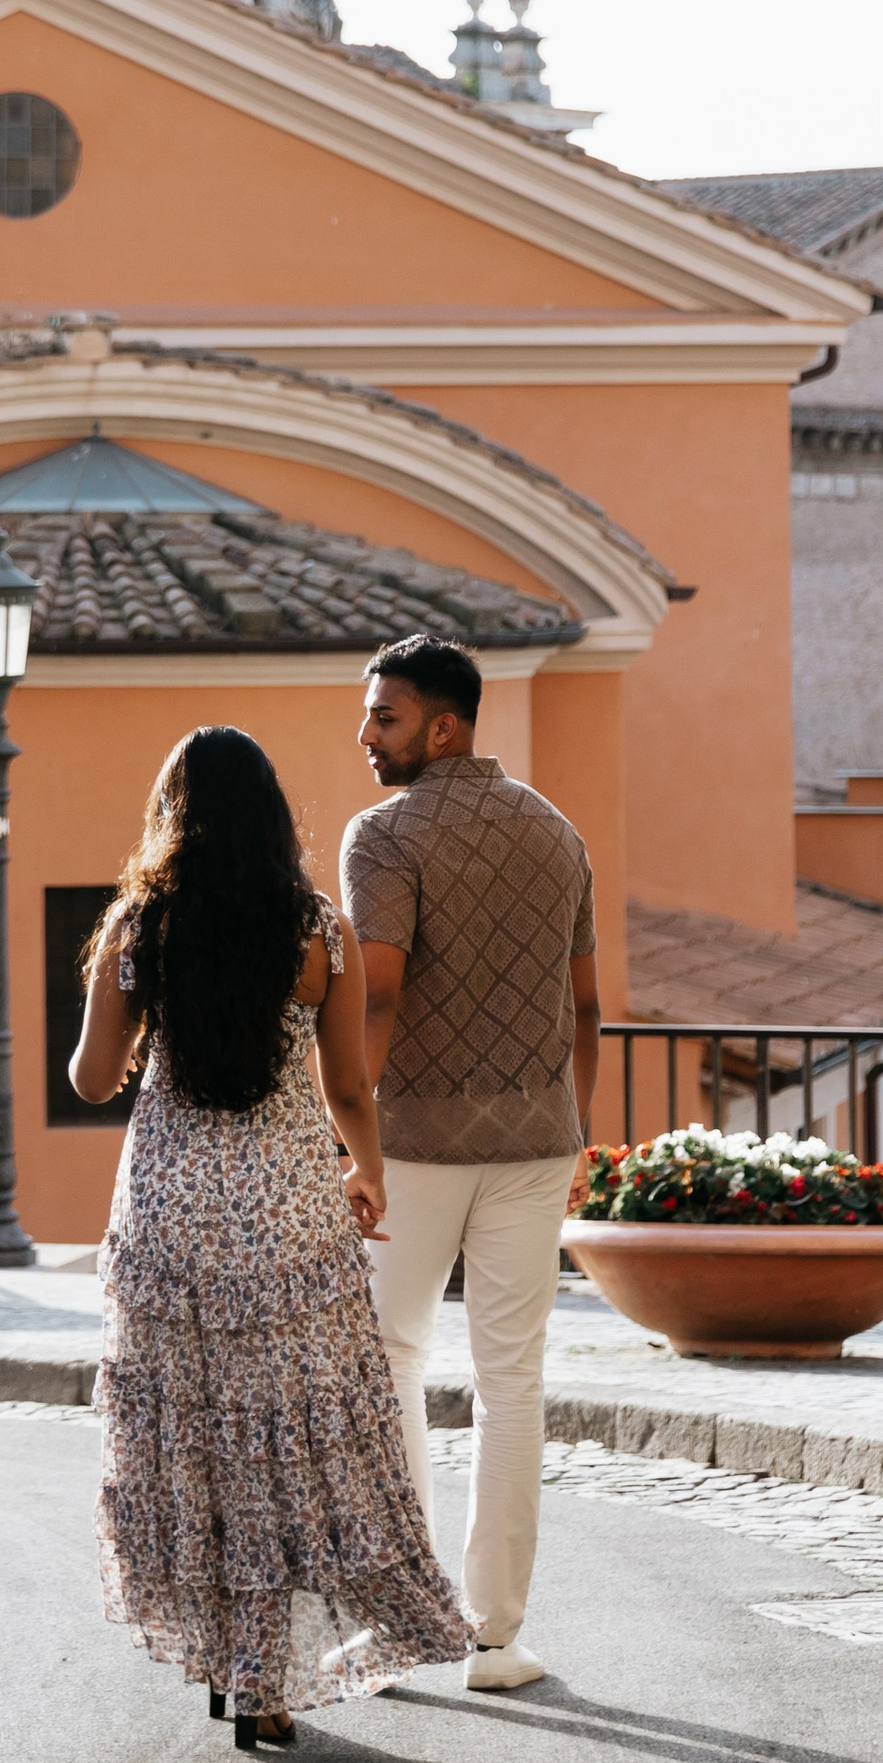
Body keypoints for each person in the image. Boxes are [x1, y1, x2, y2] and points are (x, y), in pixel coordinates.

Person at [76, 725, 475, 1746]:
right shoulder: (319, 933)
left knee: (198, 1442)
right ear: (270, 818)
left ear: (173, 815)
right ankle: (261, 1681)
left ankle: (230, 1662)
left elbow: (91, 1077)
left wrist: (125, 1008)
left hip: (169, 1218)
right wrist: (367, 1171)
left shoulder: (139, 928)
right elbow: (349, 1087)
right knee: (279, 1442)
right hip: (287, 1213)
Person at [340, 635, 598, 1693]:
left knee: (388, 1360)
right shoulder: (557, 831)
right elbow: (588, 1008)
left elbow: (379, 997)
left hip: (414, 1143)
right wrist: (577, 1133)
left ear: (442, 727)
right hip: (538, 1139)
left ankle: (400, 1624)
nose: (365, 735)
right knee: (512, 1382)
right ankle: (496, 1640)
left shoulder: (382, 836)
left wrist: (348, 1139)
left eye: (385, 717)